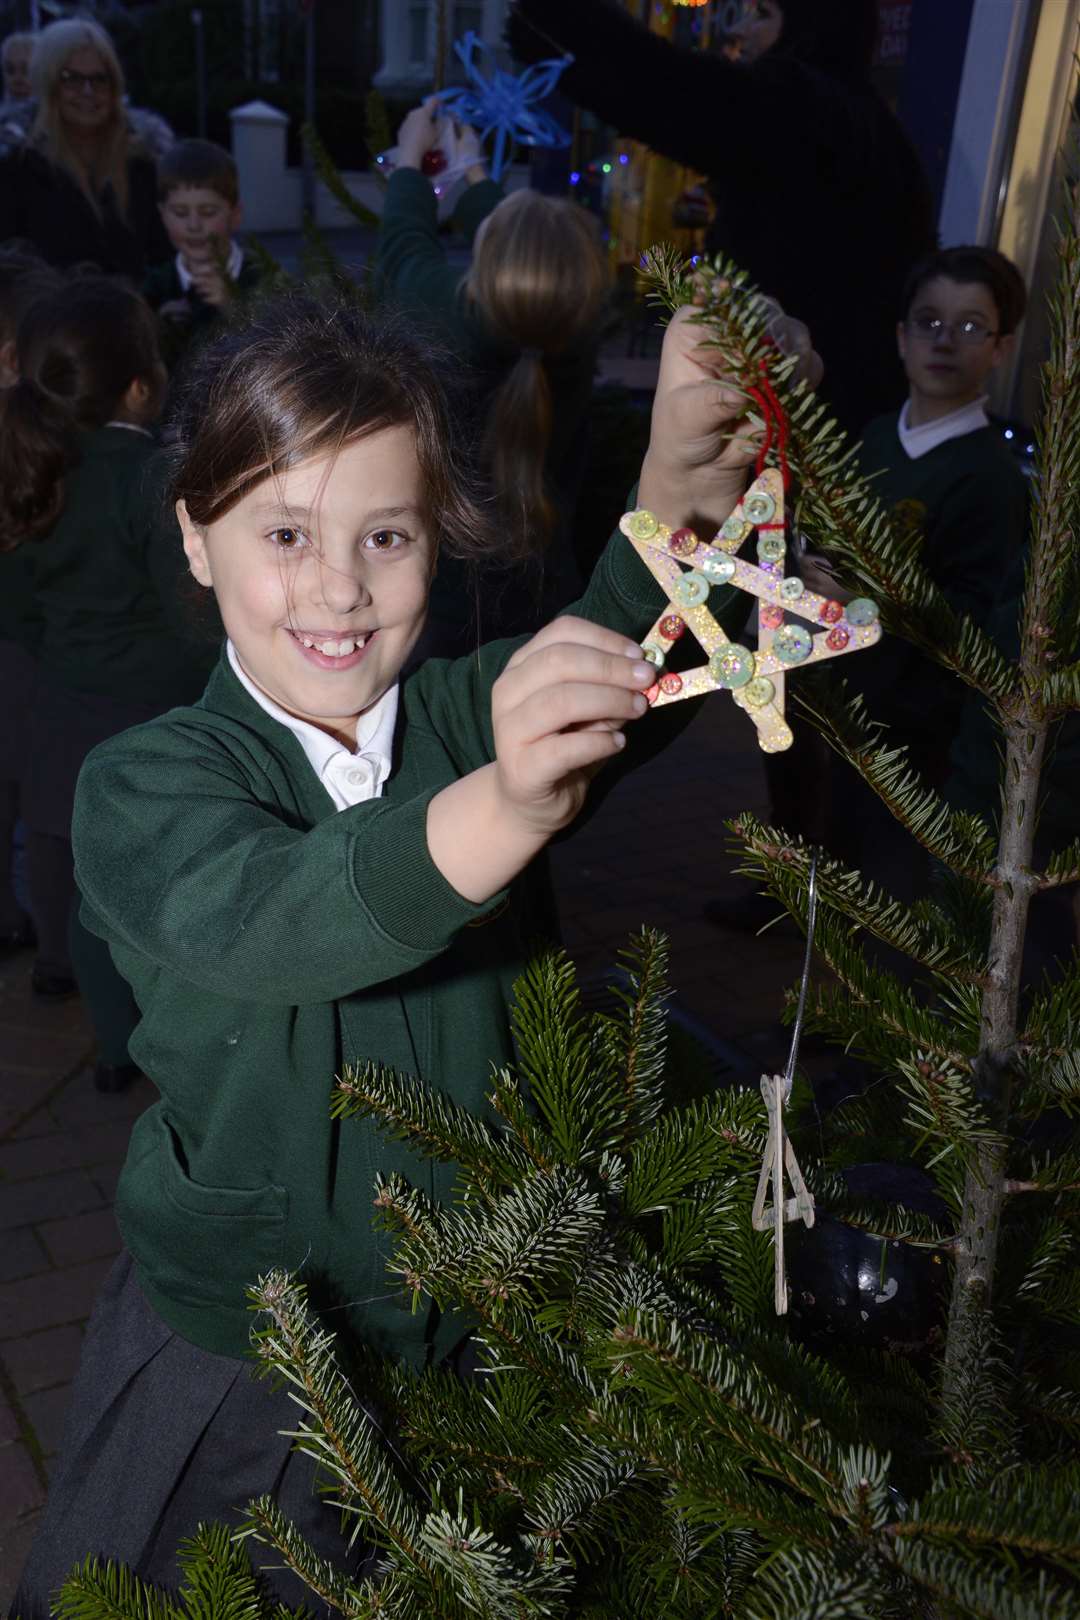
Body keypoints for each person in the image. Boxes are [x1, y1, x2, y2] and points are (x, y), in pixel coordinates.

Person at [12, 289, 758, 1615]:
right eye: (285, 533)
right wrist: (505, 809)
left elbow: (622, 652)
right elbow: (281, 914)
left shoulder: (466, 713)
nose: (341, 587)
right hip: (259, 1354)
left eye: (388, 534)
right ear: (196, 538)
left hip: (490, 1329)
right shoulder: (143, 787)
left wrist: (676, 489)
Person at [506, 0, 936, 436]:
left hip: (800, 409)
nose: (742, 30)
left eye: (764, 14)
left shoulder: (803, 103)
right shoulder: (865, 122)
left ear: (811, 26)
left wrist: (561, 29)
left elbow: (672, 88)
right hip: (829, 397)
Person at [0, 277, 215, 1065]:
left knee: (69, 865)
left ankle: (109, 1043)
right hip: (155, 708)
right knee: (156, 877)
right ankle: (168, 1035)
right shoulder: (149, 477)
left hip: (63, 703)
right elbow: (190, 608)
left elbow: (15, 602)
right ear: (140, 383)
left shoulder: (32, 469)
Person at [822, 245, 1030, 895]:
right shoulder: (878, 437)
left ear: (1000, 348)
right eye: (928, 321)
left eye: (971, 325)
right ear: (901, 338)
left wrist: (870, 601)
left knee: (896, 897)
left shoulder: (990, 478)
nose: (944, 340)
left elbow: (976, 625)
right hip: (845, 702)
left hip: (919, 736)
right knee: (839, 873)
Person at [376, 100, 610, 652]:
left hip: (445, 611)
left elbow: (403, 250)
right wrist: (475, 169)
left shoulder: (447, 318)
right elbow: (538, 263)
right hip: (547, 598)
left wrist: (410, 161)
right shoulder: (571, 329)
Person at [0, 18, 169, 277]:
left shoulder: (142, 167)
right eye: (71, 79)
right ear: (49, 84)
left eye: (100, 79)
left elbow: (166, 261)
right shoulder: (18, 171)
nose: (88, 91)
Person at [0, 247, 61, 959]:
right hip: (26, 645)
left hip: (22, 642)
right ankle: (52, 949)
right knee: (32, 791)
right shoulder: (38, 437)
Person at [143, 138, 261, 343]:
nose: (194, 225)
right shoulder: (154, 286)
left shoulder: (262, 278)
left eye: (208, 212)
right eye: (180, 213)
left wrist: (233, 308)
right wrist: (157, 326)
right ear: (162, 215)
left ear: (235, 215)